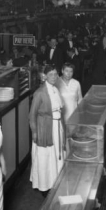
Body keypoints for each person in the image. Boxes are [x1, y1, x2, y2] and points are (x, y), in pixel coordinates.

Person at [29, 65, 66, 196]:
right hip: (45, 128)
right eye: (51, 74)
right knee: (46, 156)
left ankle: (55, 181)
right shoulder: (40, 92)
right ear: (45, 76)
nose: (54, 77)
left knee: (56, 154)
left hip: (57, 127)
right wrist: (34, 131)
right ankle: (45, 186)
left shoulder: (55, 89)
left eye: (56, 74)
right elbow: (32, 114)